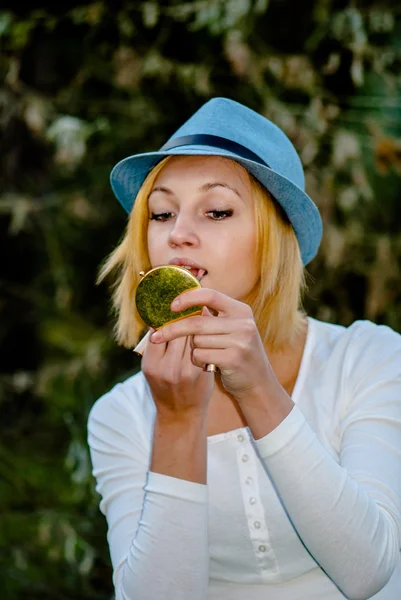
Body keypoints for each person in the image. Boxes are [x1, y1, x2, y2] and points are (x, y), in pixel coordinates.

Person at [87, 98, 401, 600]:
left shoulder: (368, 359)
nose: (178, 235)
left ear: (275, 239)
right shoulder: (120, 415)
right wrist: (177, 423)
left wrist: (259, 389)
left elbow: (369, 571)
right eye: (161, 213)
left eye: (216, 211)